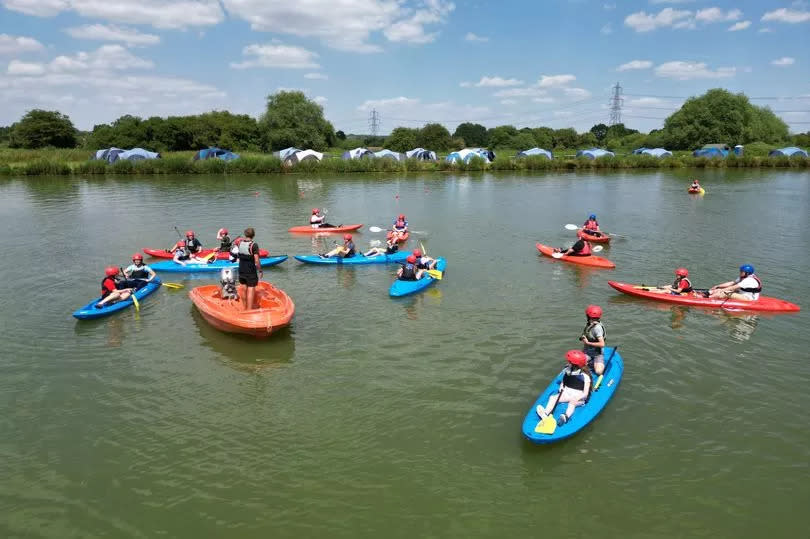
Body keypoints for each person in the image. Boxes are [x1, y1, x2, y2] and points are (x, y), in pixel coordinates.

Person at [536, 350, 592, 426]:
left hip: (579, 397)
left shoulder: (585, 377)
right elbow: (564, 381)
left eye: (569, 362)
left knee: (572, 403)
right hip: (567, 393)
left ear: (575, 365)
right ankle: (546, 413)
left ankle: (565, 416)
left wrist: (577, 398)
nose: (568, 363)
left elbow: (585, 393)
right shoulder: (568, 371)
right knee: (553, 398)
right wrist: (561, 386)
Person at [235, 227, 262, 310]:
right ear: (253, 235)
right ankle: (249, 310)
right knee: (251, 289)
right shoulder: (253, 245)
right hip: (250, 270)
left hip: (241, 269)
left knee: (243, 287)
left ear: (245, 234)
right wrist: (260, 270)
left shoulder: (239, 243)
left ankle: (245, 306)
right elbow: (257, 261)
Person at [580, 305, 606, 375]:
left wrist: (588, 343)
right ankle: (590, 361)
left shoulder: (597, 328)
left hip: (597, 353)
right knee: (577, 365)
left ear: (588, 316)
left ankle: (599, 363)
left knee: (598, 372)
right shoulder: (590, 324)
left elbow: (602, 344)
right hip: (587, 351)